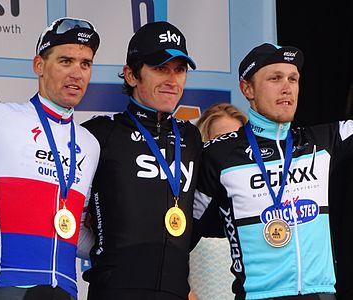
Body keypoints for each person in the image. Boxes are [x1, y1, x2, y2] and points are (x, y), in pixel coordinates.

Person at [193, 43, 346, 299]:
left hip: (321, 293)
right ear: (247, 89)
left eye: (293, 79)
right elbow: (182, 235)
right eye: (275, 78)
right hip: (257, 295)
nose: (287, 88)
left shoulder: (325, 140)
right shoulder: (218, 154)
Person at [0, 17, 101, 300]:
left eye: (85, 64)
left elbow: (77, 236)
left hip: (65, 290)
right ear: (39, 65)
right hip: (8, 286)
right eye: (65, 61)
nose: (77, 73)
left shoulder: (89, 144)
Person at [81, 21, 202, 300]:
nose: (172, 80)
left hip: (174, 291)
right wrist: (107, 254)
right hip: (115, 290)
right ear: (131, 75)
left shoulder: (191, 137)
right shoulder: (101, 133)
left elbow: (201, 217)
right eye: (160, 68)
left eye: (180, 70)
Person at [188, 103, 247, 300]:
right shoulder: (189, 205)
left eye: (237, 141)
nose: (229, 151)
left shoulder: (263, 205)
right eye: (221, 141)